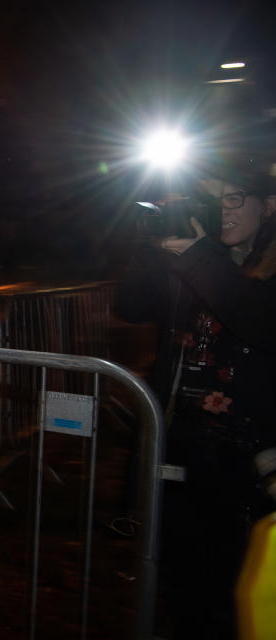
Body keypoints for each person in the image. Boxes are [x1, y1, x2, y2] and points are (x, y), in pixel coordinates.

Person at [115, 153, 276, 639]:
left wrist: (197, 259)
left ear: (268, 206)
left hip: (252, 455)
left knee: (239, 586)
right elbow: (130, 305)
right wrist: (154, 247)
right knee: (183, 580)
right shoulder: (194, 258)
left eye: (233, 198)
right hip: (185, 441)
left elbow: (261, 322)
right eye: (212, 199)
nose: (222, 209)